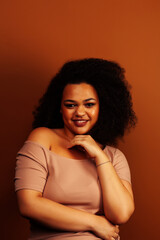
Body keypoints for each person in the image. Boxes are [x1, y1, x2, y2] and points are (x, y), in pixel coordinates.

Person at [14, 58, 137, 240]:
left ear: (102, 108)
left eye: (89, 104)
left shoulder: (113, 156)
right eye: (71, 105)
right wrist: (93, 222)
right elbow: (28, 204)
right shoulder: (43, 138)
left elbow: (121, 214)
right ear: (60, 108)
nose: (80, 112)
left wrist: (99, 156)